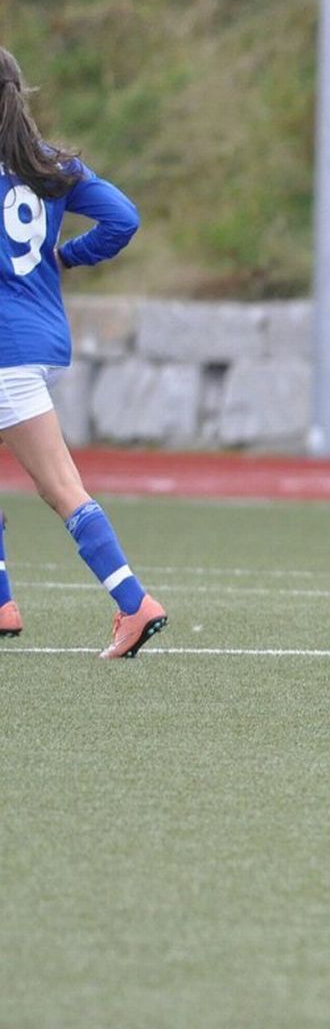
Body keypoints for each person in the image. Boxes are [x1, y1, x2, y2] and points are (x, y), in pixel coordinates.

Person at [0, 47, 167, 657]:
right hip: (36, 342)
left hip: (3, 348)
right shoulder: (49, 165)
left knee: (62, 487)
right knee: (60, 485)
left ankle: (133, 602)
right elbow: (122, 219)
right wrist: (66, 256)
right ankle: (3, 604)